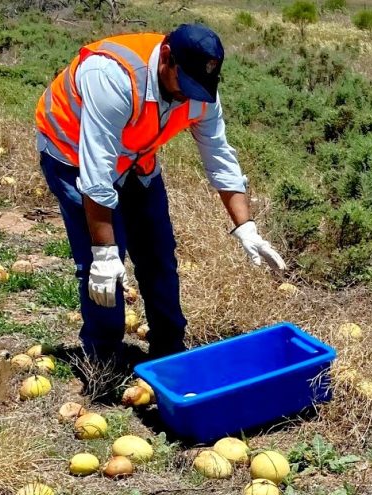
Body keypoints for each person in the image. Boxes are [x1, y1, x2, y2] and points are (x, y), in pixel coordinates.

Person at [35, 23, 285, 368]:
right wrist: (106, 253)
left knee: (158, 254)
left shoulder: (199, 91)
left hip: (136, 158)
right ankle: (104, 360)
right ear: (167, 58)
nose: (189, 95)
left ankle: (168, 351)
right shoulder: (113, 77)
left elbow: (220, 157)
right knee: (102, 267)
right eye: (185, 84)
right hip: (72, 153)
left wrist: (246, 227)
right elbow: (95, 177)